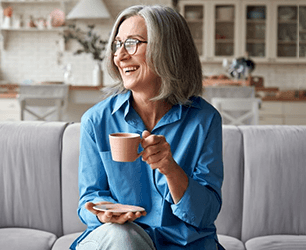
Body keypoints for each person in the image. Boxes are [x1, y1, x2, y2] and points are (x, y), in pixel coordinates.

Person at [70, 4, 224, 250]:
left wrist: (170, 169)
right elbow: (89, 199)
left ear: (167, 49)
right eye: (117, 44)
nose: (119, 56)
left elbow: (205, 214)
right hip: (120, 240)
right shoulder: (96, 121)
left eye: (131, 43)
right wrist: (103, 214)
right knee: (122, 238)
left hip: (185, 245)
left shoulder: (204, 121)